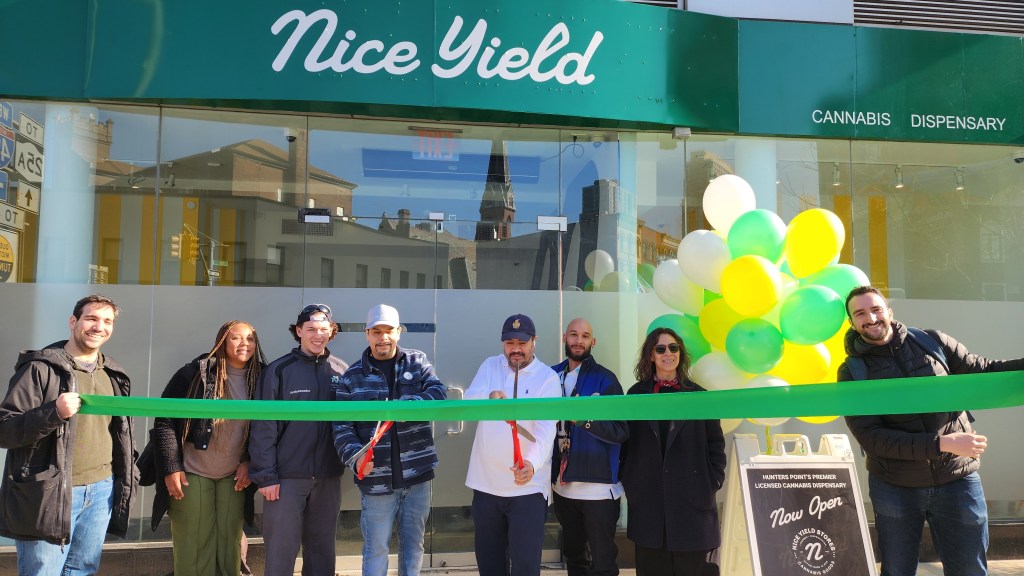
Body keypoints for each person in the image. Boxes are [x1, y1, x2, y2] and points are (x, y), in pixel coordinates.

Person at [840, 285, 1024, 576]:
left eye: (876, 309)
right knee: (898, 571)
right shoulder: (852, 372)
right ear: (852, 322)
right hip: (895, 486)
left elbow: (982, 371)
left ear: (889, 311)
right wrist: (943, 444)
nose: (871, 318)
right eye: (860, 313)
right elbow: (872, 438)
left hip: (958, 479)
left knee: (970, 571)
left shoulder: (932, 341)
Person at [0, 294, 138, 575]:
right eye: (91, 318)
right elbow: (5, 429)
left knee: (81, 571)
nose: (99, 326)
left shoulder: (112, 372)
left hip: (101, 491)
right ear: (73, 321)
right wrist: (54, 412)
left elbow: (120, 432)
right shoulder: (39, 368)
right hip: (49, 493)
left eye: (107, 321)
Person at [334, 304, 447, 576]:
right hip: (376, 480)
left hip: (417, 477)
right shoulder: (351, 377)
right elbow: (341, 428)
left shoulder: (416, 362)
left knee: (414, 547)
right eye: (376, 331)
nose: (382, 337)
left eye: (388, 331)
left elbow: (439, 392)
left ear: (399, 332)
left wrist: (413, 405)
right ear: (367, 334)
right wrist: (356, 456)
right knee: (376, 548)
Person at [151, 320, 267, 576]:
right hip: (191, 472)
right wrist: (171, 467)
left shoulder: (263, 377)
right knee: (193, 545)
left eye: (250, 339)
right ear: (222, 341)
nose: (244, 344)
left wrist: (250, 462)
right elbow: (164, 420)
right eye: (236, 338)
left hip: (234, 474)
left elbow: (267, 429)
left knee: (230, 545)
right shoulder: (196, 372)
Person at [249, 304, 348, 576]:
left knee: (322, 555)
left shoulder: (341, 371)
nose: (318, 335)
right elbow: (263, 426)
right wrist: (266, 476)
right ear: (299, 331)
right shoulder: (279, 370)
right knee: (281, 554)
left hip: (328, 478)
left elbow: (351, 423)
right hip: (285, 480)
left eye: (324, 330)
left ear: (332, 333)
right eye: (311, 329)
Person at [619, 327, 726, 576]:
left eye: (673, 348)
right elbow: (626, 442)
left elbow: (715, 445)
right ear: (651, 356)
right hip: (649, 504)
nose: (668, 353)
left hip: (692, 504)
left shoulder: (700, 396)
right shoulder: (636, 394)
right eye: (661, 348)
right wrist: (630, 480)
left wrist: (713, 481)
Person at [465, 313, 561, 576]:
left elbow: (545, 430)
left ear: (534, 342)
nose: (515, 348)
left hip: (527, 489)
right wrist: (488, 396)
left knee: (526, 566)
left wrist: (531, 464)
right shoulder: (489, 366)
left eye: (522, 342)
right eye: (509, 342)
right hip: (486, 485)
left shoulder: (548, 378)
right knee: (490, 565)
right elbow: (469, 402)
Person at [550, 318, 628, 576]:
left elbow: (621, 432)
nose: (578, 340)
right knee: (574, 559)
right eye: (573, 334)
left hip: (598, 490)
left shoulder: (606, 380)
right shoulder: (551, 376)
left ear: (592, 342)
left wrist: (586, 422)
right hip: (562, 488)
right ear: (565, 338)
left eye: (585, 336)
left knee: (603, 563)